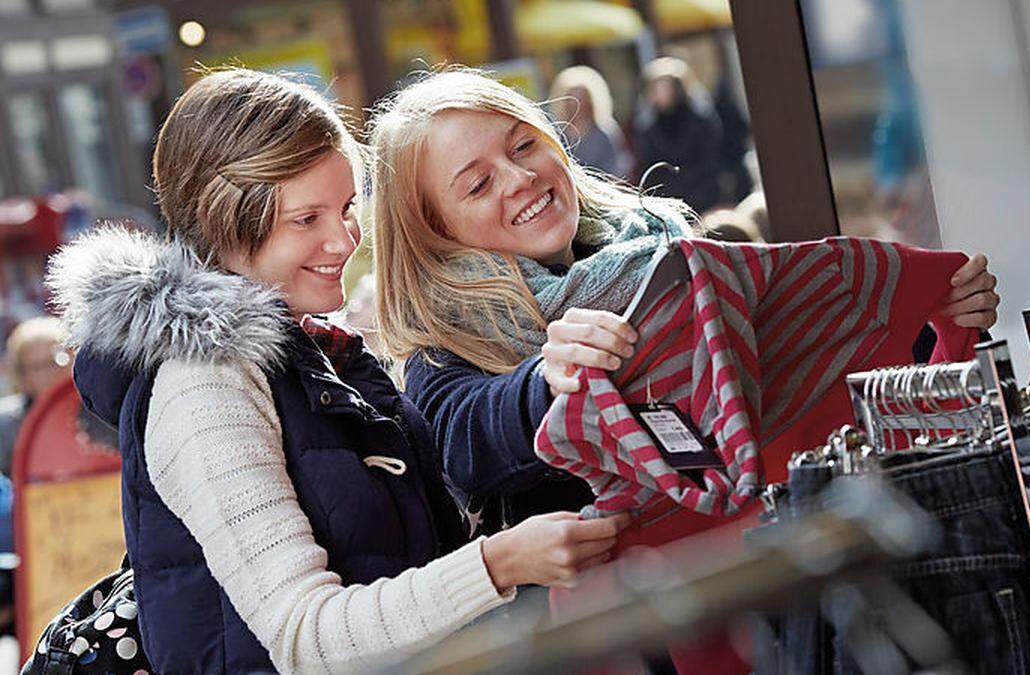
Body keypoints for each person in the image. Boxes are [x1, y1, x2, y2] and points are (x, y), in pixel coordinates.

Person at [46, 68, 628, 675]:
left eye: (347, 208)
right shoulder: (203, 382)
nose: (344, 239)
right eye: (307, 220)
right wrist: (497, 566)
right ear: (224, 220)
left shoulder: (309, 349)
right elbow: (306, 636)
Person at [369, 67, 1001, 527]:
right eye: (478, 184)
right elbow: (461, 444)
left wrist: (927, 319)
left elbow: (793, 347)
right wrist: (547, 384)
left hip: (800, 565)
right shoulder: (443, 343)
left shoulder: (670, 244)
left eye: (524, 144)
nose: (521, 177)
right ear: (431, 230)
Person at [633, 57, 726, 213]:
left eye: (664, 87)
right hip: (670, 202)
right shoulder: (647, 126)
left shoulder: (700, 119)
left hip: (704, 196)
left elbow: (712, 157)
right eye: (655, 87)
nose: (659, 92)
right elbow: (648, 165)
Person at [0, 316, 71, 477]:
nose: (53, 372)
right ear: (22, 377)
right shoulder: (5, 428)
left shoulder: (101, 415)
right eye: (40, 366)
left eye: (59, 360)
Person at [549, 65, 634, 182]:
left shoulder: (605, 130)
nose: (578, 103)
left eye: (582, 98)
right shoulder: (556, 134)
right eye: (572, 98)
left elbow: (619, 164)